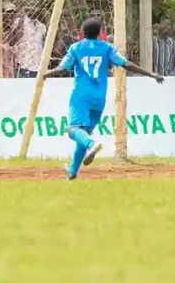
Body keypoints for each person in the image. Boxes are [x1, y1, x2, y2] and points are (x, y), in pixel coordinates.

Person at [46, 18, 164, 180]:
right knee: (84, 132)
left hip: (81, 95)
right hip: (99, 97)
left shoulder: (76, 48)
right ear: (100, 32)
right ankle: (73, 171)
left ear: (81, 32)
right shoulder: (107, 48)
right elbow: (126, 64)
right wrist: (150, 74)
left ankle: (91, 145)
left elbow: (62, 68)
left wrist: (46, 73)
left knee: (73, 130)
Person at [9, 7, 46, 78]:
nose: (31, 7)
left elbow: (43, 45)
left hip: (38, 67)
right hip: (23, 66)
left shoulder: (42, 26)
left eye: (34, 5)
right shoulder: (19, 22)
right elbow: (11, 42)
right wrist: (17, 30)